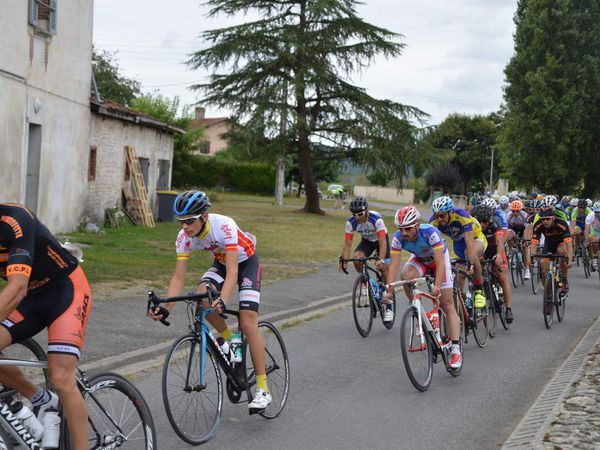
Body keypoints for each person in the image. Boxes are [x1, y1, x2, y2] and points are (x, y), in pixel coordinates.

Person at [148, 191, 272, 413]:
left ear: (204, 215)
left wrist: (223, 300)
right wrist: (166, 308)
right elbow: (178, 277)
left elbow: (234, 271)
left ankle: (263, 388)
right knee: (202, 294)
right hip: (222, 263)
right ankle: (230, 340)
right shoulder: (183, 237)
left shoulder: (224, 226)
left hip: (246, 263)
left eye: (189, 221)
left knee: (247, 321)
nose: (185, 227)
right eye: (181, 222)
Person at [0, 203, 91, 450]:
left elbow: (17, 287)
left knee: (61, 378)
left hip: (64, 291)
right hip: (29, 299)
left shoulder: (15, 220)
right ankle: (42, 400)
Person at [385, 206, 462, 368]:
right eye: (401, 229)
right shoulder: (398, 238)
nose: (404, 232)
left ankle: (455, 350)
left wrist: (437, 285)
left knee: (447, 304)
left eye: (407, 228)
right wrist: (389, 289)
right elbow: (394, 265)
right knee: (405, 276)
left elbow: (440, 263)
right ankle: (417, 308)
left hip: (438, 261)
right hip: (420, 260)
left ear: (417, 225)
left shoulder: (430, 233)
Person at [338, 196, 393, 322]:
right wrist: (344, 261)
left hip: (381, 241)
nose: (357, 217)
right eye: (354, 214)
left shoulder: (376, 219)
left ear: (367, 211)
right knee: (357, 258)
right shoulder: (350, 222)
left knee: (384, 269)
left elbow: (383, 243)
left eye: (360, 214)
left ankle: (389, 305)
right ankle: (365, 283)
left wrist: (381, 260)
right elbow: (347, 245)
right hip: (367, 242)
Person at [429, 196, 488, 309]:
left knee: (470, 254)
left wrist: (470, 263)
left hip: (475, 238)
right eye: (437, 215)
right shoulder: (433, 222)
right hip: (459, 245)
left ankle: (479, 290)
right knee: (459, 278)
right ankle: (464, 305)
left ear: (450, 212)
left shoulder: (461, 215)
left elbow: (469, 243)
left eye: (442, 215)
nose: (439, 219)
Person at [471, 204, 514, 323]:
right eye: (478, 221)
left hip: (495, 249)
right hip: (482, 250)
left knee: (501, 276)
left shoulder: (496, 223)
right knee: (474, 270)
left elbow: (500, 242)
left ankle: (508, 309)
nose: (481, 224)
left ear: (489, 220)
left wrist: (499, 255)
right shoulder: (471, 225)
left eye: (483, 221)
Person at [531, 205, 573, 295]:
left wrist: (569, 259)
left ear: (553, 217)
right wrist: (532, 256)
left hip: (561, 242)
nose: (545, 221)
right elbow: (534, 242)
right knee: (544, 269)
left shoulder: (562, 223)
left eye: (547, 219)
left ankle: (564, 279)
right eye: (543, 219)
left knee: (562, 252)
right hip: (549, 243)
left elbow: (569, 244)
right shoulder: (538, 225)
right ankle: (549, 296)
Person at [507, 200, 531, 280]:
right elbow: (506, 228)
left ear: (520, 210)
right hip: (513, 229)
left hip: (523, 230)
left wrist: (525, 238)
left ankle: (527, 269)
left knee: (525, 247)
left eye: (517, 211)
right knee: (508, 234)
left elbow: (527, 229)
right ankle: (511, 250)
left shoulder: (525, 215)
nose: (515, 213)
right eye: (513, 211)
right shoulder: (509, 216)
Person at [584, 202, 600, 272]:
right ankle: (594, 259)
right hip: (595, 231)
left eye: (599, 212)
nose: (598, 214)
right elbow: (587, 229)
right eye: (596, 212)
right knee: (594, 241)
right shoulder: (590, 216)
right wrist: (587, 239)